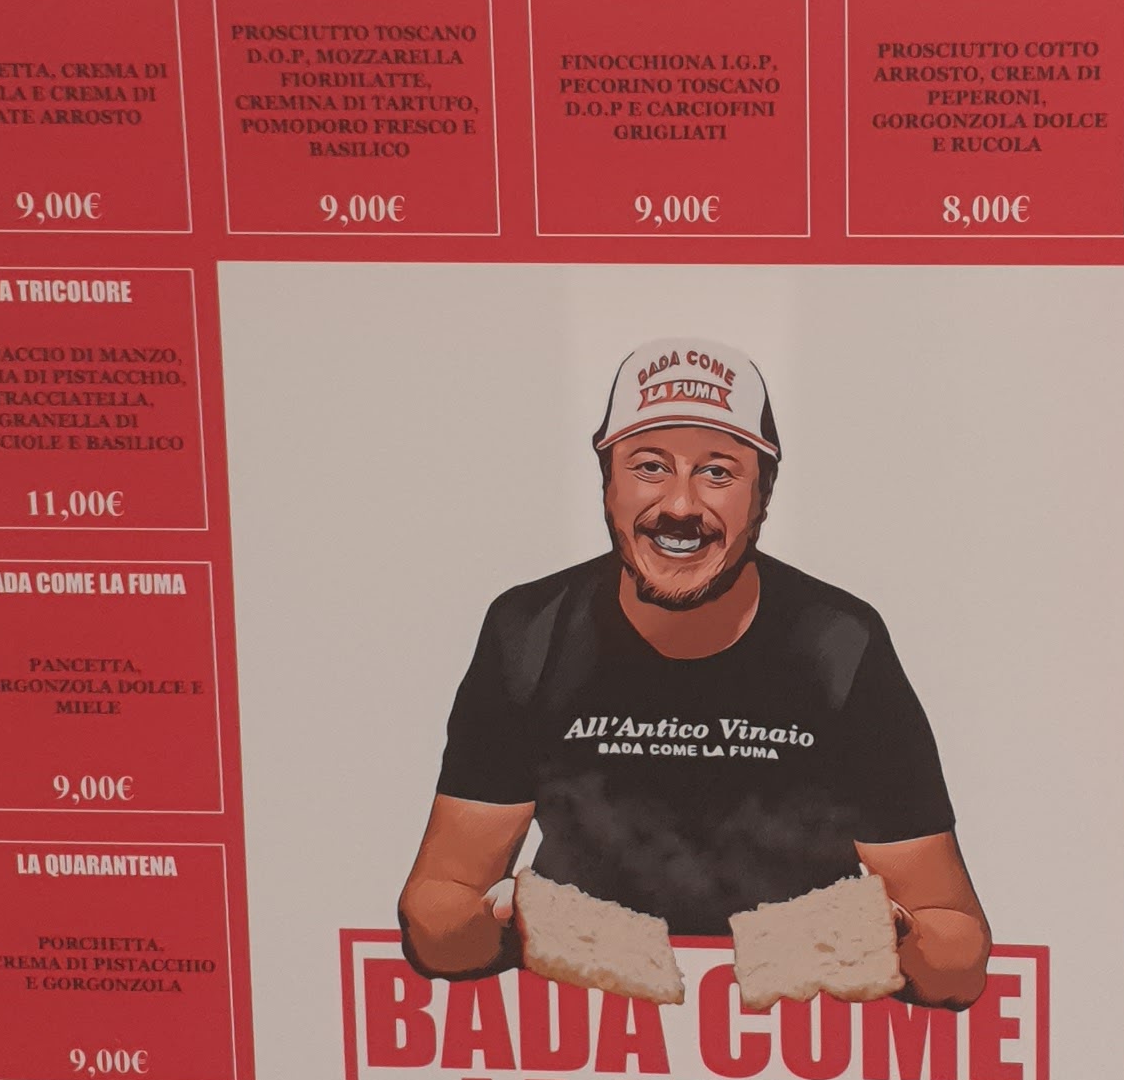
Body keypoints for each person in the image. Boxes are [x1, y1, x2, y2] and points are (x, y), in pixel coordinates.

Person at [396, 338, 992, 1004]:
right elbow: (439, 906)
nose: (680, 506)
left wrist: (877, 942)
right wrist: (508, 928)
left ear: (763, 493)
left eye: (717, 472)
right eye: (649, 466)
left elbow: (958, 948)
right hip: (592, 1029)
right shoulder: (530, 631)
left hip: (795, 1040)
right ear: (608, 481)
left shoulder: (840, 644)